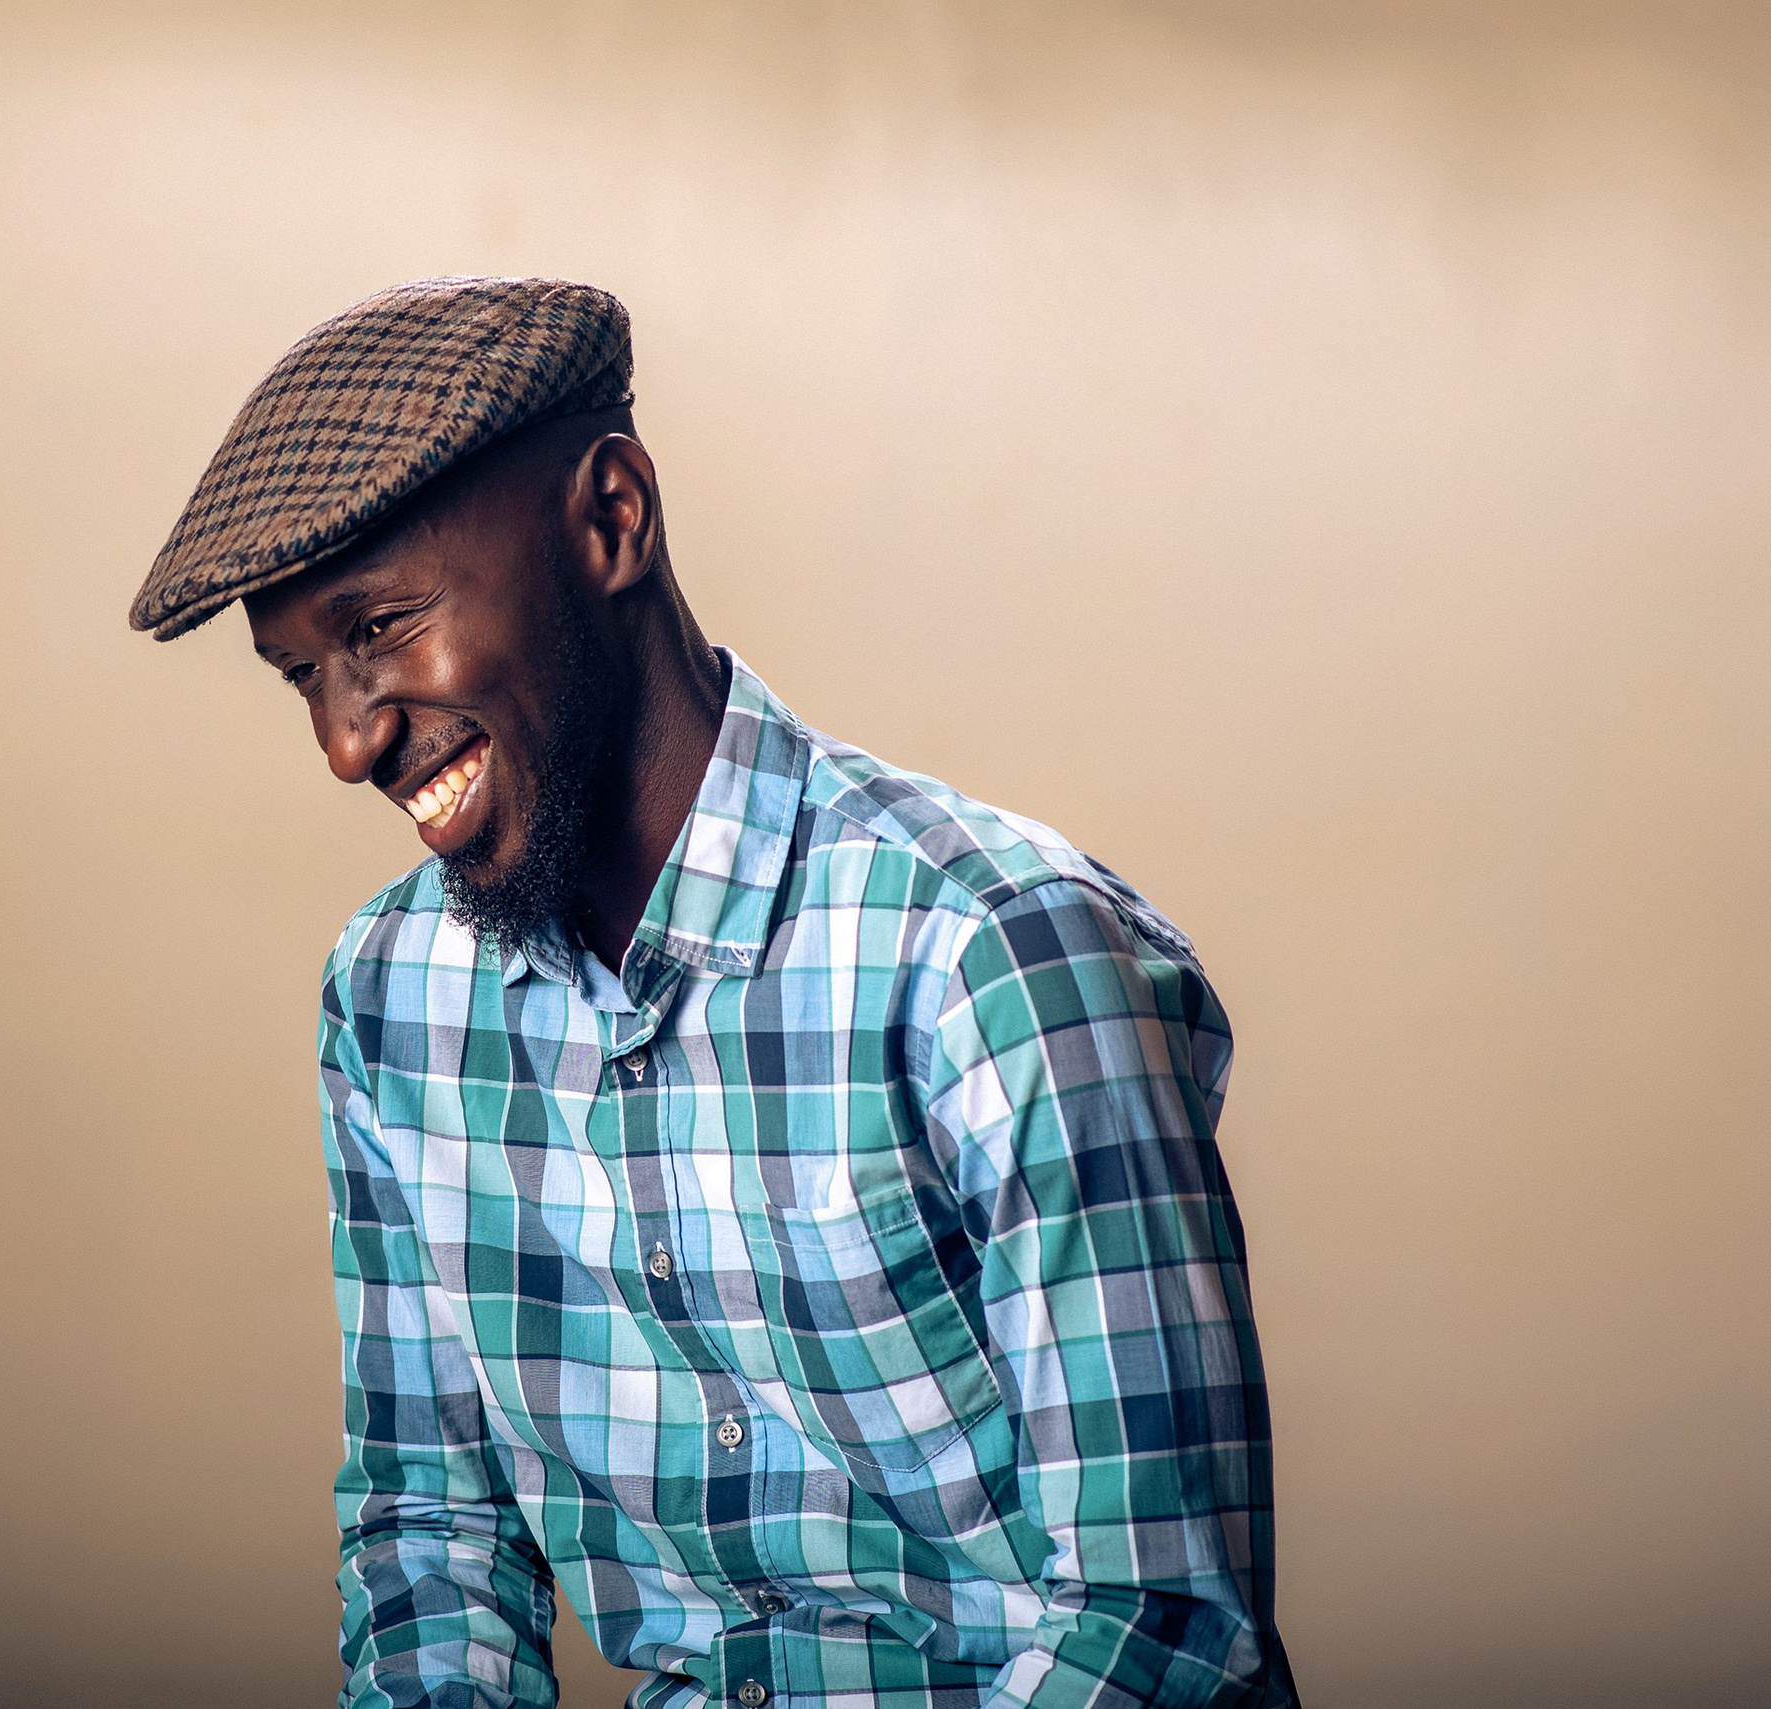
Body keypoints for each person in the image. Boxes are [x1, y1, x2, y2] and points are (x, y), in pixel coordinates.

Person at [129, 277, 1297, 1709]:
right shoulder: (391, 1002)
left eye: (378, 629)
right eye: (300, 673)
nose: (346, 741)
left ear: (613, 518)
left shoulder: (995, 957)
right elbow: (432, 1534)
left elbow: (1159, 1624)